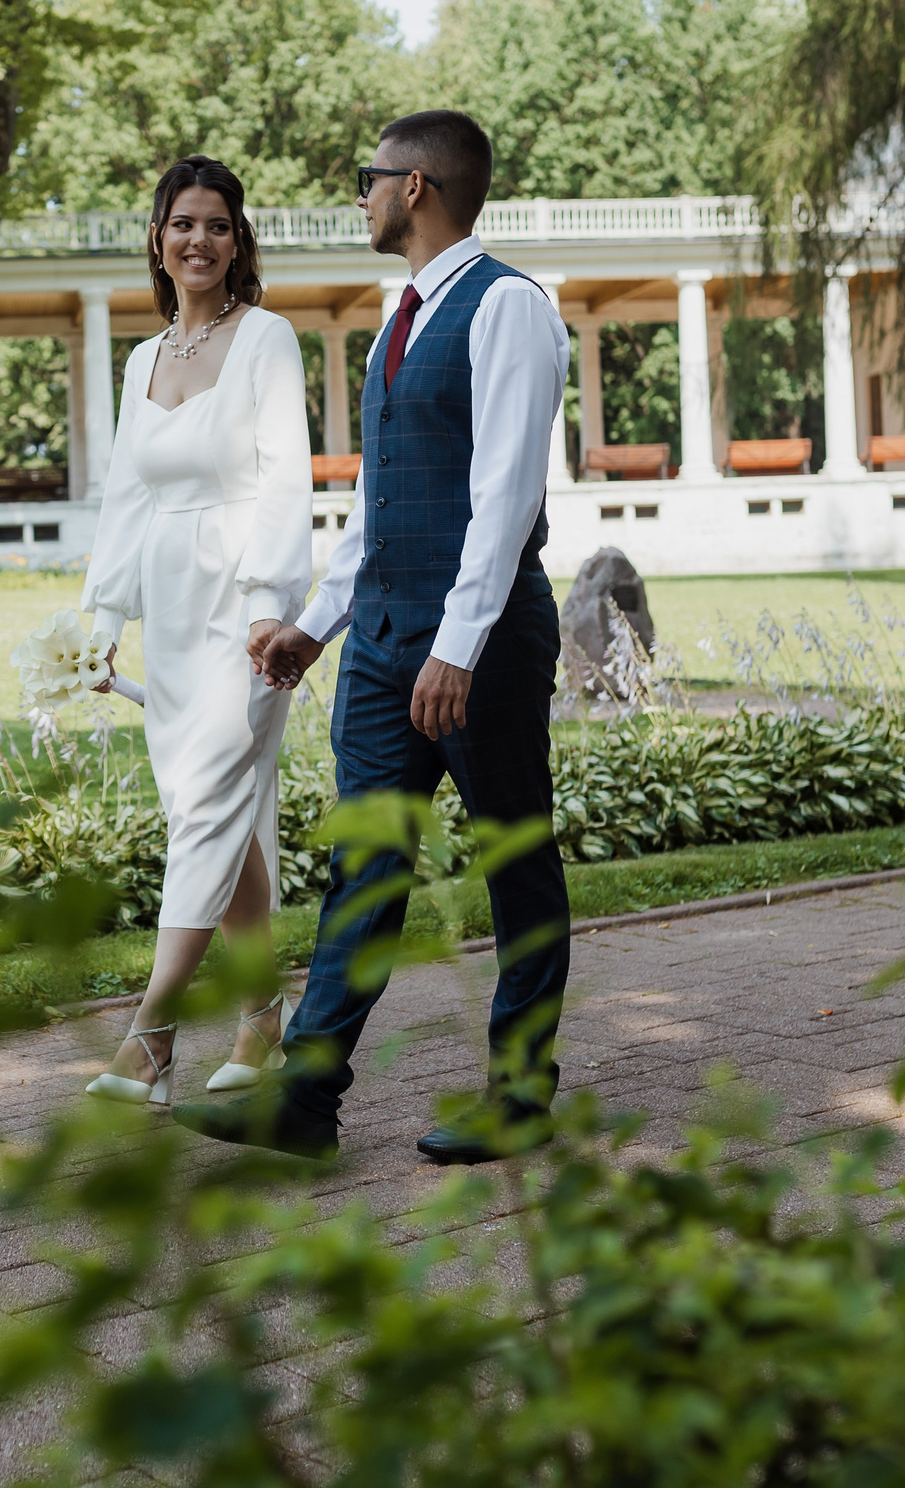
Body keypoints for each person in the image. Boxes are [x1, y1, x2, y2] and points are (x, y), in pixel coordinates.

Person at [177, 110, 573, 1164]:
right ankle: (306, 1099)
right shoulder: (402, 314)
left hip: (473, 643)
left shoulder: (509, 309)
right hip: (383, 641)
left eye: (371, 178)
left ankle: (521, 1097)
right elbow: (382, 503)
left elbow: (502, 495)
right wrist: (314, 626)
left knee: (513, 862)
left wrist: (458, 645)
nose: (361, 196)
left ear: (419, 190)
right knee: (366, 866)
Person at [78, 155, 316, 1106]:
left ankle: (151, 1037)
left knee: (210, 803)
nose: (199, 241)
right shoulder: (143, 360)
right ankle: (262, 1022)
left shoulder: (267, 339)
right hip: (172, 614)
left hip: (243, 608)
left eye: (217, 225)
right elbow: (125, 499)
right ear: (158, 238)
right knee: (212, 815)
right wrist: (100, 624)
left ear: (238, 238)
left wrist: (271, 604)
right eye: (183, 224)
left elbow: (287, 476)